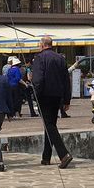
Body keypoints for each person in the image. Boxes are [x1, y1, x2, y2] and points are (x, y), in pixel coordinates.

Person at [29, 35, 73, 167]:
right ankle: (46, 157)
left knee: (49, 125)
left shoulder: (39, 58)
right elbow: (66, 80)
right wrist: (67, 99)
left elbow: (38, 79)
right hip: (57, 95)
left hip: (44, 95)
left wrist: (35, 95)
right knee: (50, 124)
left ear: (42, 45)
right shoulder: (60, 58)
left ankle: (63, 154)